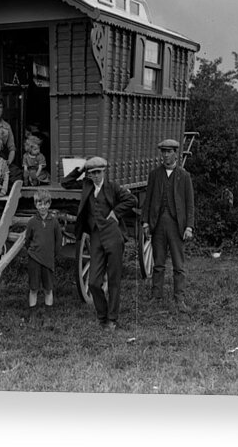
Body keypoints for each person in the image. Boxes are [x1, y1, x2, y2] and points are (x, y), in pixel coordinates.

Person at [65, 156, 137, 331]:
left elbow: (132, 200)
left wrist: (115, 212)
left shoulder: (112, 187)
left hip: (113, 235)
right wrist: (81, 169)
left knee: (113, 280)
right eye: (92, 173)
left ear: (104, 172)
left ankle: (111, 320)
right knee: (94, 283)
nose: (96, 176)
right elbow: (66, 182)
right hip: (96, 237)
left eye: (98, 172)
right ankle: (102, 315)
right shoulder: (87, 186)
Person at [142, 138, 195, 313]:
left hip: (176, 225)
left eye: (169, 152)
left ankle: (179, 298)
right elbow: (147, 201)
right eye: (163, 152)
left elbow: (189, 204)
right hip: (158, 224)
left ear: (176, 153)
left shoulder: (184, 176)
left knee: (179, 265)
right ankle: (156, 296)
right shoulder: (154, 175)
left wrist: (189, 227)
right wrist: (145, 223)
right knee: (158, 263)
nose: (165, 155)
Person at [24, 189, 61, 322]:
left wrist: (52, 255)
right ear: (36, 205)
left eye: (45, 203)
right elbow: (27, 240)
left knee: (48, 289)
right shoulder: (32, 222)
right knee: (33, 288)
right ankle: (32, 315)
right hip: (34, 259)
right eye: (40, 203)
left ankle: (47, 316)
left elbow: (58, 241)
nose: (43, 206)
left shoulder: (54, 222)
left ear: (49, 204)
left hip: (48, 260)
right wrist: (32, 252)